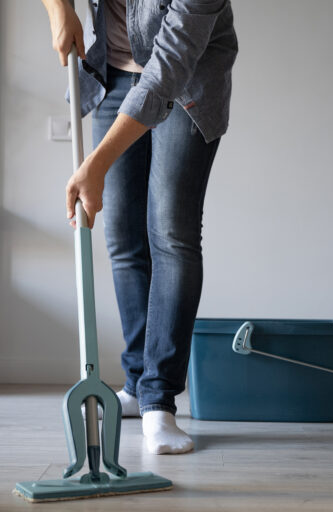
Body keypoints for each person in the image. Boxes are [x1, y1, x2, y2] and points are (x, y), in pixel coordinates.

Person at [41, 0, 237, 454]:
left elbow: (166, 70)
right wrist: (59, 10)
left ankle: (158, 400)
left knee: (171, 233)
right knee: (123, 237)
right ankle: (136, 382)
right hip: (112, 72)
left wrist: (98, 163)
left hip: (186, 80)